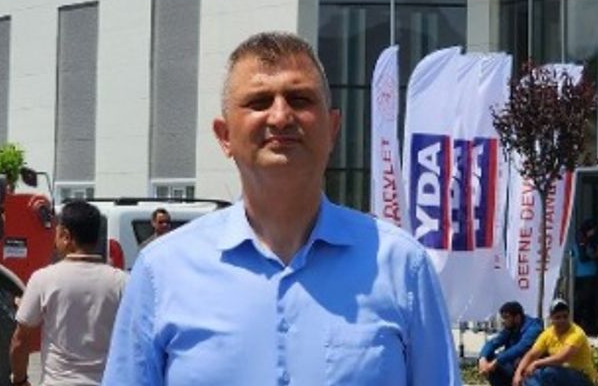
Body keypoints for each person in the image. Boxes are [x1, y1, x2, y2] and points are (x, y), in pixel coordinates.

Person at [101, 31, 459, 385]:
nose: (281, 116)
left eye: (300, 99)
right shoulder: (162, 271)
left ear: (333, 129)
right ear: (224, 136)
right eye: (259, 102)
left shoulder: (401, 266)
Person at [11, 200, 127, 386]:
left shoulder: (44, 279)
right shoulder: (121, 282)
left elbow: (20, 340)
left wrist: (20, 380)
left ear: (65, 236)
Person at [512, 300, 596, 386]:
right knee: (528, 373)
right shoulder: (548, 333)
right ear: (551, 319)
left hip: (582, 378)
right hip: (561, 376)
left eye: (565, 316)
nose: (562, 320)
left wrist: (536, 363)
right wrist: (518, 374)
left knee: (549, 372)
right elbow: (532, 354)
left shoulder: (576, 333)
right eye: (558, 317)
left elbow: (562, 358)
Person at [479, 301, 543, 386]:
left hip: (529, 367)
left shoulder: (534, 328)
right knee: (488, 357)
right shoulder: (511, 328)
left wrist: (497, 361)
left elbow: (520, 348)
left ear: (517, 317)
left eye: (506, 317)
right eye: (503, 318)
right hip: (513, 365)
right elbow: (493, 343)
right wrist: (483, 358)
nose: (503, 321)